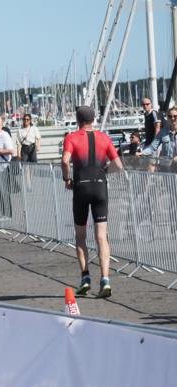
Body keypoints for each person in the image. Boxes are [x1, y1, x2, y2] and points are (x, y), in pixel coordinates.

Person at [61, 105, 124, 298]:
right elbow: (118, 165)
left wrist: (67, 179)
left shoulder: (71, 137)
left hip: (81, 187)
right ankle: (105, 279)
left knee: (80, 236)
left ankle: (85, 277)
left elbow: (65, 161)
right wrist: (103, 172)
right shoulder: (104, 138)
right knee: (101, 237)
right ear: (94, 119)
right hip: (99, 187)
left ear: (78, 120)